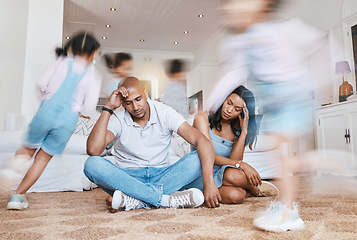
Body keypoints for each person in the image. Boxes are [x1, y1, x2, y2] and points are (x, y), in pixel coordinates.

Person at [206, 0, 329, 232]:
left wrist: (317, 84)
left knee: (283, 155)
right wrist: (211, 101)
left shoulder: (285, 29)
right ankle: (289, 206)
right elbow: (231, 74)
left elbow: (320, 45)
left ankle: (289, 210)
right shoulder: (240, 44)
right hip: (276, 106)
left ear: (264, 5)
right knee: (282, 157)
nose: (233, 8)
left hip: (294, 96)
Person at [83, 76, 221, 212]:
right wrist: (108, 107)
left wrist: (209, 182)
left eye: (138, 99)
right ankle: (164, 200)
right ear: (123, 104)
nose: (136, 107)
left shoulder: (164, 112)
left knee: (199, 157)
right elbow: (93, 150)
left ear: (146, 93)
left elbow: (202, 141)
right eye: (128, 103)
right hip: (129, 178)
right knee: (92, 164)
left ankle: (136, 200)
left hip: (162, 175)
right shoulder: (118, 118)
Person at [0, 32, 102, 210]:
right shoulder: (92, 75)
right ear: (94, 53)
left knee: (28, 148)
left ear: (70, 48)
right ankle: (17, 197)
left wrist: (47, 100)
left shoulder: (61, 62)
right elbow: (90, 104)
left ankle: (10, 170)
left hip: (47, 111)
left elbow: (41, 83)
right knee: (42, 159)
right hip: (68, 120)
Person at [187, 86, 278, 204]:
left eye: (237, 109)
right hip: (201, 173)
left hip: (223, 175)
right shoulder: (202, 118)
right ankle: (255, 189)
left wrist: (244, 132)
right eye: (229, 103)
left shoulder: (237, 128)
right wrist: (242, 165)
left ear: (243, 112)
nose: (229, 110)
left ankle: (249, 190)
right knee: (235, 177)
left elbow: (235, 161)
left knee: (237, 195)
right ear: (223, 99)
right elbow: (208, 155)